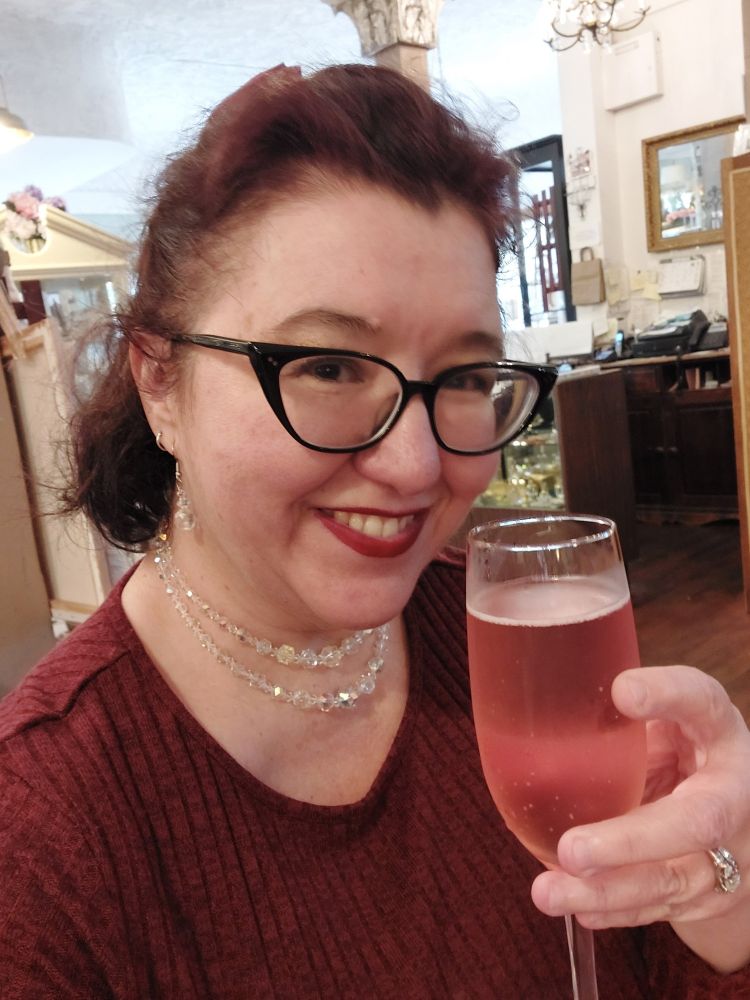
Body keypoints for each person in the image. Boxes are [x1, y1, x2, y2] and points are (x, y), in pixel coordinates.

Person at [1, 63, 749, 999]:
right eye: (326, 367)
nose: (417, 467)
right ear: (159, 381)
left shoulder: (498, 642)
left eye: (466, 379)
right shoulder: (43, 835)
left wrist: (724, 899)